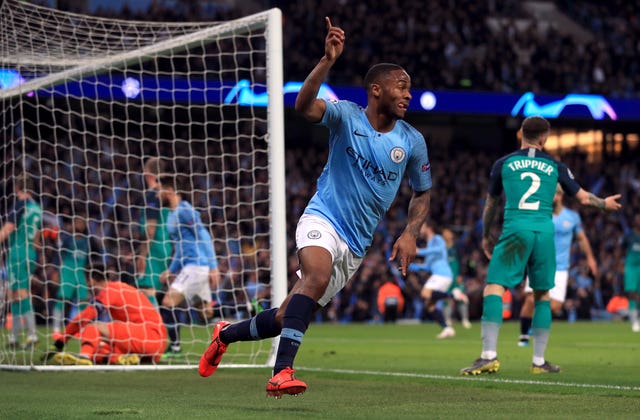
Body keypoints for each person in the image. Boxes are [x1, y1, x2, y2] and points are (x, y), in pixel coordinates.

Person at [199, 17, 432, 398]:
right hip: (323, 217)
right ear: (376, 90)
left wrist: (409, 233)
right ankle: (282, 372)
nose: (408, 95)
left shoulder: (412, 141)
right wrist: (326, 61)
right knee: (316, 276)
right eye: (401, 87)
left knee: (287, 314)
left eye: (410, 89)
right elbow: (303, 105)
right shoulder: (346, 116)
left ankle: (224, 334)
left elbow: (422, 192)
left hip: (356, 245)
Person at [460, 116, 621, 376]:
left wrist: (487, 233)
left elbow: (491, 203)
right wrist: (605, 204)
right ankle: (539, 361)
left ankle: (488, 355)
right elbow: (582, 198)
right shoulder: (556, 166)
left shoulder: (504, 163)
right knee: (543, 294)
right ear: (545, 138)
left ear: (521, 133)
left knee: (494, 286)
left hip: (516, 228)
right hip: (546, 232)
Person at [517, 184, 598, 346]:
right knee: (531, 300)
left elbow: (581, 239)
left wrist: (590, 258)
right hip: (538, 264)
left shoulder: (572, 217)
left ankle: (534, 324)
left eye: (554, 195)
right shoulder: (540, 215)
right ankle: (524, 335)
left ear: (560, 196)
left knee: (555, 307)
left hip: (561, 267)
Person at [51, 263, 167, 365]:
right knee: (99, 347)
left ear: (91, 280)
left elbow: (87, 315)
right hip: (153, 346)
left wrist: (62, 340)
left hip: (149, 336)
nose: (88, 287)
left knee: (94, 327)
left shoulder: (111, 290)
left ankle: (84, 356)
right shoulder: (120, 288)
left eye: (87, 283)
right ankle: (116, 358)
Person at [158, 173, 220, 356]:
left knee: (167, 301)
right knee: (205, 312)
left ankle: (175, 346)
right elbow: (180, 248)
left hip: (197, 266)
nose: (157, 195)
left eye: (159, 191)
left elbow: (203, 235)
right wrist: (171, 270)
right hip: (189, 266)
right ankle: (247, 307)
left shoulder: (185, 211)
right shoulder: (171, 215)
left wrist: (214, 266)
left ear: (169, 191)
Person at [0, 175, 42, 348]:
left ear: (17, 187)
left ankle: (32, 335)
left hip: (18, 252)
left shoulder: (20, 205)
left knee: (21, 293)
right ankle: (14, 337)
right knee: (14, 294)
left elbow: (8, 229)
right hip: (29, 251)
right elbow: (37, 238)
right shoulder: (36, 207)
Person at [51, 214, 101, 339]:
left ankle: (81, 329)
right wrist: (56, 271)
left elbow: (97, 254)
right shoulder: (67, 238)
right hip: (67, 272)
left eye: (81, 222)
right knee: (61, 300)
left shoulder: (89, 240)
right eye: (76, 222)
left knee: (83, 301)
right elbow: (59, 255)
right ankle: (56, 329)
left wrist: (92, 274)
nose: (78, 224)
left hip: (81, 273)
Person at [408, 222, 456, 339]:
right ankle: (447, 328)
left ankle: (453, 295)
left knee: (425, 293)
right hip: (439, 275)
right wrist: (410, 266)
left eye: (421, 227)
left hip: (442, 274)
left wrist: (419, 251)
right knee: (430, 306)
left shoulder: (437, 239)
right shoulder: (429, 245)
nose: (419, 230)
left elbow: (440, 249)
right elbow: (427, 266)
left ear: (429, 228)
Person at [136, 157, 172, 308]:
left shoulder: (153, 194)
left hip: (154, 249)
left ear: (148, 174)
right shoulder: (165, 194)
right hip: (165, 247)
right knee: (152, 293)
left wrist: (142, 255)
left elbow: (151, 229)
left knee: (146, 291)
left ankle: (156, 330)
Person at [441, 228, 471, 330]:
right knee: (446, 297)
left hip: (456, 275)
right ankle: (447, 320)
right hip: (445, 276)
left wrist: (461, 274)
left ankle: (465, 319)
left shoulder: (457, 245)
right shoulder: (441, 247)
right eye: (445, 233)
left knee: (461, 296)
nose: (446, 234)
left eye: (448, 232)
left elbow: (462, 260)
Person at [622, 214, 640, 332]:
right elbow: (621, 249)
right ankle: (634, 320)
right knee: (632, 292)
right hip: (631, 267)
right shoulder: (629, 236)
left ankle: (637, 317)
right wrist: (619, 264)